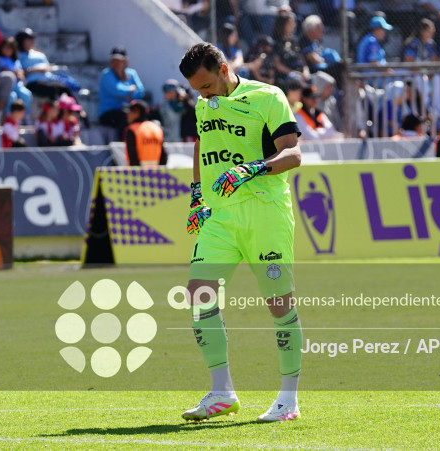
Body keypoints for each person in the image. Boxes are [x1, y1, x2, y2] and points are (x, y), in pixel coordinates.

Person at [177, 42, 303, 423]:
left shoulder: (268, 97)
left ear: (223, 68)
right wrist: (198, 196)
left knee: (279, 305)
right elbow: (202, 146)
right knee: (199, 294)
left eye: (206, 86)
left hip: (265, 212)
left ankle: (288, 400)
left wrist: (253, 169)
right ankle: (221, 392)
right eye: (197, 89)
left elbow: (293, 154)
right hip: (220, 215)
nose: (203, 94)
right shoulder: (203, 105)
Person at [17, 28, 78, 101]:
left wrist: (46, 69)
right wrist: (33, 70)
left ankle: (78, 109)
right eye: (29, 39)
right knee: (55, 90)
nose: (32, 41)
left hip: (48, 78)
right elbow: (18, 71)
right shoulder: (17, 55)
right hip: (32, 82)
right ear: (21, 41)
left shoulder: (39, 54)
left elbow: (48, 67)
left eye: (32, 38)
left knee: (65, 87)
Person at [98, 46, 145, 137]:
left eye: (119, 60)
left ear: (125, 61)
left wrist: (130, 95)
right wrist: (129, 90)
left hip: (128, 110)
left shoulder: (132, 73)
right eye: (113, 60)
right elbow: (117, 90)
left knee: (141, 113)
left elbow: (140, 91)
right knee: (124, 116)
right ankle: (123, 143)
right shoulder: (106, 74)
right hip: (109, 113)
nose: (116, 63)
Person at [0, 37, 33, 121]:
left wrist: (20, 75)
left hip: (18, 84)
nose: (7, 50)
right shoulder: (0, 59)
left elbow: (20, 72)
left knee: (27, 94)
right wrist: (15, 72)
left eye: (9, 48)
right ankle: (10, 118)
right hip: (8, 86)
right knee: (12, 97)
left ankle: (25, 115)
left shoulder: (16, 61)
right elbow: (5, 70)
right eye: (5, 48)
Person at [270, 10, 307, 87]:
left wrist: (306, 72)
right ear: (282, 25)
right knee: (296, 79)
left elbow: (302, 60)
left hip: (301, 74)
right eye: (290, 23)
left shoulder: (294, 40)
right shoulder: (275, 42)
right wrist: (293, 72)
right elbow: (277, 65)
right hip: (286, 76)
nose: (294, 25)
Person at [124, 99, 165, 166]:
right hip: (156, 174)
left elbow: (133, 157)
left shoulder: (132, 129)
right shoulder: (157, 128)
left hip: (137, 174)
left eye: (130, 111)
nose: (127, 114)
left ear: (137, 112)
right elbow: (163, 157)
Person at [159, 78, 184, 143]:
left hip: (178, 138)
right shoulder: (164, 104)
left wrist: (182, 99)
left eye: (169, 92)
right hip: (166, 137)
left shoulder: (181, 103)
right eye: (166, 92)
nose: (166, 93)